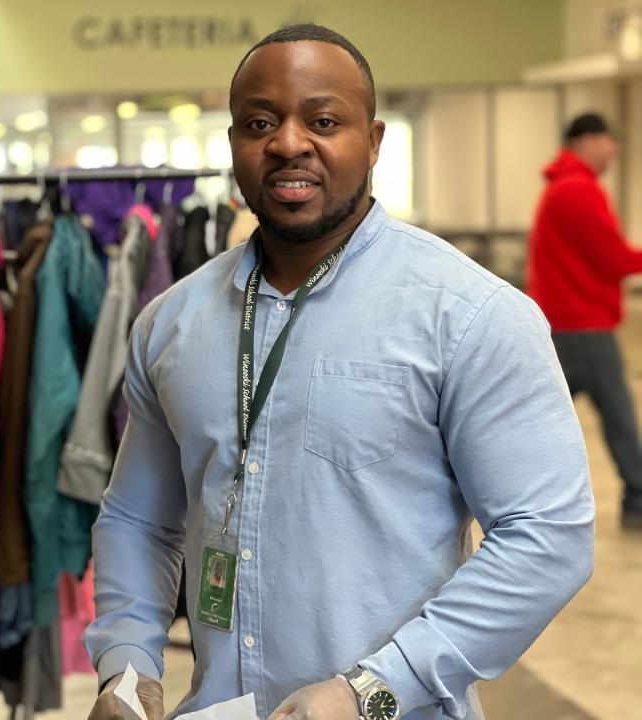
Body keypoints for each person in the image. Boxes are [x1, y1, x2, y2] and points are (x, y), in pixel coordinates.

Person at [85, 23, 594, 720]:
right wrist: (127, 662)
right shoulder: (170, 324)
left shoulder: (471, 317)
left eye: (323, 120)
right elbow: (138, 519)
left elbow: (548, 539)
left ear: (375, 141)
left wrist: (372, 692)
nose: (289, 142)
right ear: (233, 140)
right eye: (260, 122)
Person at [527, 112, 642, 528]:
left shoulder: (563, 188)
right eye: (611, 141)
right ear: (590, 140)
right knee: (620, 419)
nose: (613, 151)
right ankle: (638, 498)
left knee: (543, 420)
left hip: (564, 323)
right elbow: (612, 258)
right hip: (584, 328)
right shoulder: (578, 190)